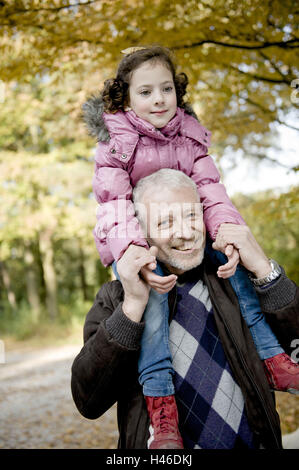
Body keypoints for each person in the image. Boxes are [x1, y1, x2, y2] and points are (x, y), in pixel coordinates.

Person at [82, 46, 299, 448]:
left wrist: (234, 237)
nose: (159, 99)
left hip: (250, 433)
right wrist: (134, 262)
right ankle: (161, 409)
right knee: (154, 309)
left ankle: (273, 359)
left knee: (240, 280)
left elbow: (212, 192)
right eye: (145, 92)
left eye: (166, 89)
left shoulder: (189, 134)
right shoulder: (117, 141)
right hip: (136, 249)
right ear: (124, 98)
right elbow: (112, 202)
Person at [71, 169, 299, 449]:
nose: (185, 232)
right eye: (165, 222)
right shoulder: (116, 297)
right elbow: (88, 401)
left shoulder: (237, 281)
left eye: (192, 215)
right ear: (142, 233)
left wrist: (265, 270)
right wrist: (132, 306)